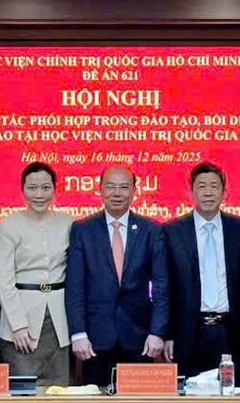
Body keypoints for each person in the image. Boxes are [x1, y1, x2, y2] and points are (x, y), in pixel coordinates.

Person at [66, 165, 170, 388]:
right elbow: (75, 287)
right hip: (94, 339)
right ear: (100, 190)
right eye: (110, 187)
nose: (117, 193)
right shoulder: (82, 229)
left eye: (124, 187)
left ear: (134, 191)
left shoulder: (151, 230)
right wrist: (78, 333)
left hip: (140, 338)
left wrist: (157, 332)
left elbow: (162, 287)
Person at [164, 162, 240, 382]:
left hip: (229, 331)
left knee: (230, 398)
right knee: (188, 401)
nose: (208, 192)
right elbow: (166, 287)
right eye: (201, 186)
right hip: (188, 332)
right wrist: (168, 334)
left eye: (214, 186)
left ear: (224, 191)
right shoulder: (172, 231)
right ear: (191, 191)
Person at [0, 163, 74, 386]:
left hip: (59, 318)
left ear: (54, 189)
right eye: (32, 188)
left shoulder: (68, 223)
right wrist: (18, 325)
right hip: (22, 319)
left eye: (45, 188)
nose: (39, 195)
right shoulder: (8, 225)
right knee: (23, 392)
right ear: (22, 190)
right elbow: (5, 281)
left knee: (59, 391)